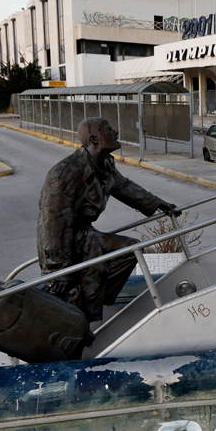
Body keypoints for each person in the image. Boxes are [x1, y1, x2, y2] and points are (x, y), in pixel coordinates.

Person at [37, 117, 177, 323]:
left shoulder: (105, 164)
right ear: (94, 139)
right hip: (66, 242)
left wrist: (158, 203)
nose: (116, 133)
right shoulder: (66, 172)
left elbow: (124, 186)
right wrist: (56, 272)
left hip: (86, 236)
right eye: (110, 130)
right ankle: (84, 306)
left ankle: (90, 298)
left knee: (131, 250)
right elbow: (53, 224)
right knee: (98, 271)